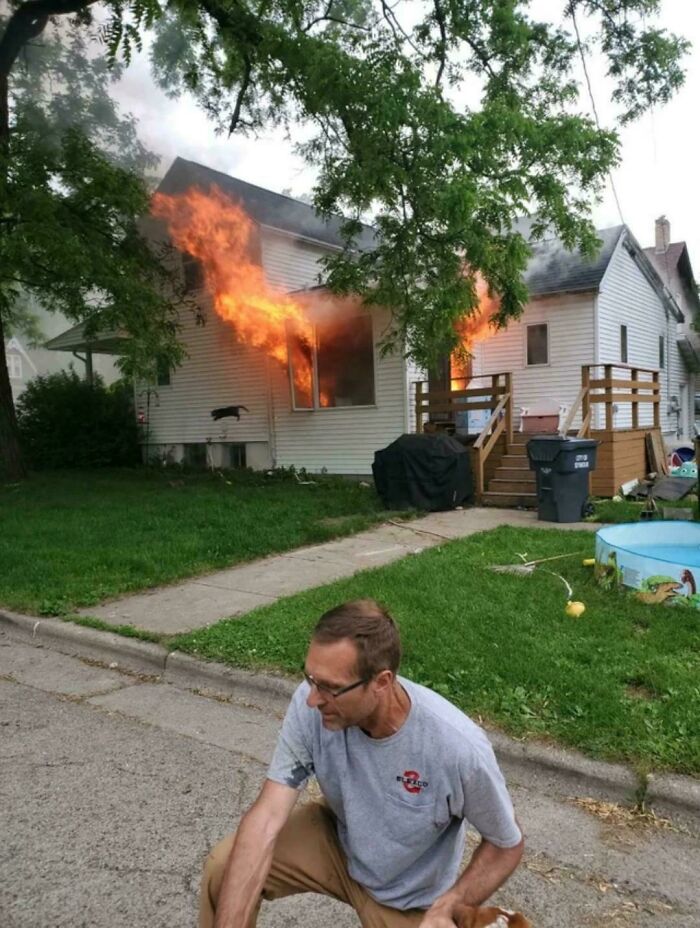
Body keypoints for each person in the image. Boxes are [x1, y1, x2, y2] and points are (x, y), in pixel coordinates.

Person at [200, 599, 525, 928]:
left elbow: (506, 844)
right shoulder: (311, 701)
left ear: (382, 682)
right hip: (338, 843)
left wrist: (450, 905)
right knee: (225, 869)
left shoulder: (458, 748)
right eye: (311, 679)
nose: (313, 698)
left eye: (331, 687)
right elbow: (267, 817)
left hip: (409, 898)